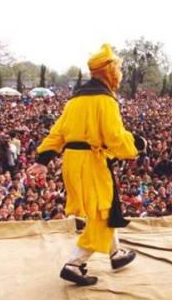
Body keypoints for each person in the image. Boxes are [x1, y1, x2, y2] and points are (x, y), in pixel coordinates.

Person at [27, 44, 146, 286]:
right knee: (103, 212)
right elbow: (114, 137)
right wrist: (136, 145)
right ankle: (75, 263)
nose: (120, 74)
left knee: (102, 207)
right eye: (118, 69)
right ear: (110, 71)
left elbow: (57, 134)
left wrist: (43, 160)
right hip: (92, 162)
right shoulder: (106, 101)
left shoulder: (74, 101)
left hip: (72, 162)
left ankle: (116, 253)